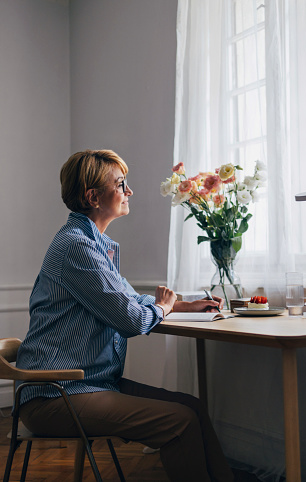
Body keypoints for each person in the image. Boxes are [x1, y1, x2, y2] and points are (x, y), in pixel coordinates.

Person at [16, 149, 235, 482]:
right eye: (121, 184)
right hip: (56, 396)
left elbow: (128, 300)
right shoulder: (77, 247)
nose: (129, 191)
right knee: (179, 421)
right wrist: (162, 307)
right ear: (92, 196)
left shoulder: (93, 244)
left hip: (89, 384)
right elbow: (132, 319)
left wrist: (178, 305)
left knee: (192, 407)